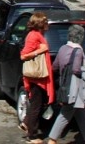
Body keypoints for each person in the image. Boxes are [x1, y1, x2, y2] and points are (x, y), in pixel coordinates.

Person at [46, 24, 85, 144]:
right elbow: (76, 69)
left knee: (81, 114)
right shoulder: (78, 51)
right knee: (65, 114)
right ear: (81, 37)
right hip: (75, 88)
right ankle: (52, 140)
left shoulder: (63, 48)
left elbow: (55, 67)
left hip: (65, 85)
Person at [21, 12, 55, 144]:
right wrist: (40, 50)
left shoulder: (37, 35)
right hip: (36, 77)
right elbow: (23, 55)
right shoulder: (33, 36)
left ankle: (26, 123)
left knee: (39, 103)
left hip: (40, 76)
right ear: (40, 24)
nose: (47, 25)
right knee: (36, 105)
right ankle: (32, 135)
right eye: (45, 22)